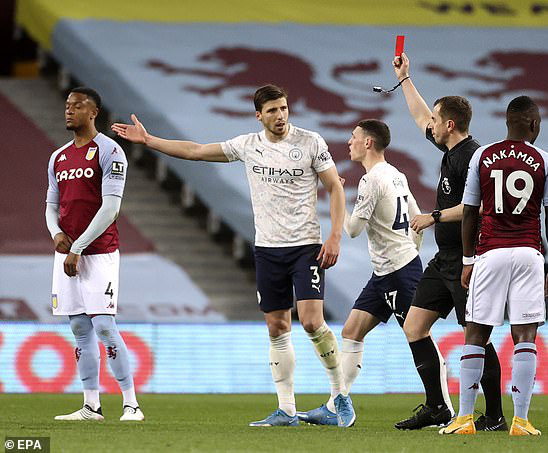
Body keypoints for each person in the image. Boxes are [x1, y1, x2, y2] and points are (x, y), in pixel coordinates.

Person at [111, 84, 355, 428]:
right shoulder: (248, 145)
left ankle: (340, 397)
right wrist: (151, 141)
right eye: (272, 111)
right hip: (268, 249)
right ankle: (286, 410)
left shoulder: (310, 142)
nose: (280, 115)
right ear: (259, 116)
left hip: (306, 246)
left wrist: (334, 236)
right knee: (276, 326)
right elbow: (195, 150)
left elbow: (335, 186)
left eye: (283, 108)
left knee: (312, 321)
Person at [392, 53, 506, 431]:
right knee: (414, 326)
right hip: (443, 259)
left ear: (451, 124)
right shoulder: (452, 149)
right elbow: (419, 115)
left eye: (437, 121)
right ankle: (437, 407)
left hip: (467, 260)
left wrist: (434, 216)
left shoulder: (472, 158)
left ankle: (493, 415)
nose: (431, 125)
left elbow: (477, 206)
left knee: (476, 337)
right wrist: (405, 79)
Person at [440, 95, 548, 436]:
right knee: (525, 335)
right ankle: (521, 421)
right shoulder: (545, 160)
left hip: (490, 253)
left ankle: (465, 418)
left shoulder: (482, 155)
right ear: (534, 125)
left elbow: (468, 212)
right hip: (528, 253)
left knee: (476, 333)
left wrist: (467, 261)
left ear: (507, 123)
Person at [298, 119, 426, 425]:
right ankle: (335, 405)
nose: (349, 142)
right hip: (391, 270)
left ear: (368, 142)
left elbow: (353, 230)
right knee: (351, 331)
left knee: (420, 337)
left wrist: (337, 198)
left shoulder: (371, 181)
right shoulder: (397, 175)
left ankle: (444, 406)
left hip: (397, 271)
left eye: (354, 137)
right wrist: (411, 252)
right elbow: (418, 219)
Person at [46, 87, 144, 421]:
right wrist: (56, 234)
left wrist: (77, 246)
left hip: (98, 254)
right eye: (67, 106)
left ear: (94, 112)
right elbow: (51, 206)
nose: (69, 111)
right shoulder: (58, 157)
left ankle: (131, 404)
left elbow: (111, 208)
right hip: (68, 254)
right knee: (78, 328)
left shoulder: (110, 151)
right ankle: (91, 405)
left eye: (77, 106)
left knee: (103, 325)